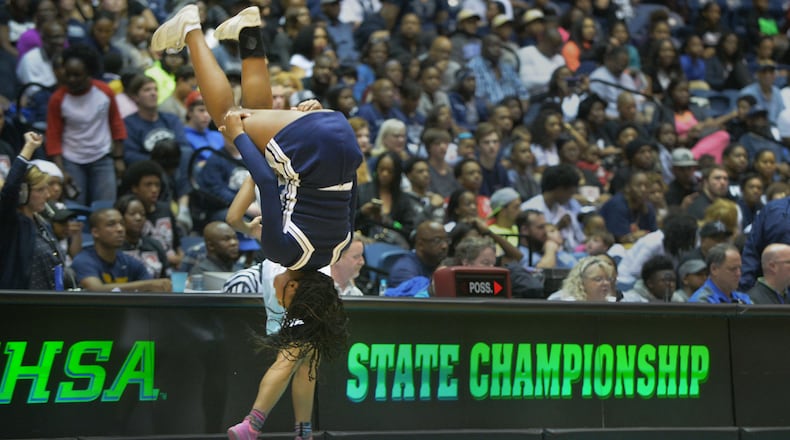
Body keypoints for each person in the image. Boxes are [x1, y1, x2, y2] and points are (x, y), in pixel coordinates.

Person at [151, 6, 360, 439]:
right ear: (296, 289)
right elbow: (263, 177)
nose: (278, 297)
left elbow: (349, 193)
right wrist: (238, 137)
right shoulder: (283, 254)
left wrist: (307, 121)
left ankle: (248, 31)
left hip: (339, 141)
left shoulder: (338, 247)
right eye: (286, 300)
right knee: (230, 114)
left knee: (259, 112)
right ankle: (191, 30)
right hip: (309, 150)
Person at [46, 43, 127, 206]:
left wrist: (118, 159)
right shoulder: (58, 99)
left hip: (102, 157)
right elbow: (53, 136)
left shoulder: (105, 92)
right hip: (72, 161)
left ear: (89, 73)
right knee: (76, 211)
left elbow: (116, 125)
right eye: (68, 74)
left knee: (105, 208)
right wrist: (61, 170)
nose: (71, 79)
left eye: (77, 75)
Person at [0, 132, 71, 290]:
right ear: (23, 193)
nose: (47, 195)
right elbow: (10, 189)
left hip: (49, 301)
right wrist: (29, 147)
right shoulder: (11, 223)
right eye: (40, 190)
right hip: (20, 303)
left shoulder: (42, 222)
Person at [72, 208, 173, 292]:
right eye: (111, 224)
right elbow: (96, 289)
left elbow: (153, 288)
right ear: (95, 232)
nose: (120, 229)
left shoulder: (129, 262)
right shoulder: (83, 260)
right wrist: (147, 285)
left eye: (121, 223)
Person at [740, 196, 790, 291]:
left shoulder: (772, 209)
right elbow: (752, 252)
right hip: (773, 289)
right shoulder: (773, 210)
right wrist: (745, 289)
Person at [115, 194, 168, 279]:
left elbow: (165, 279)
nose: (139, 218)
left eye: (142, 214)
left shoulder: (155, 245)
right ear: (120, 218)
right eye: (132, 214)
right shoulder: (114, 250)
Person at [388, 220, 449, 288]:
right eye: (437, 240)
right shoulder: (403, 270)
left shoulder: (443, 264)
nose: (445, 246)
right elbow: (416, 296)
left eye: (446, 240)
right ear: (421, 245)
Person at [548, 255, 617, 301]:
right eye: (598, 279)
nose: (606, 283)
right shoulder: (562, 302)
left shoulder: (615, 304)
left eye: (608, 279)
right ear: (581, 281)